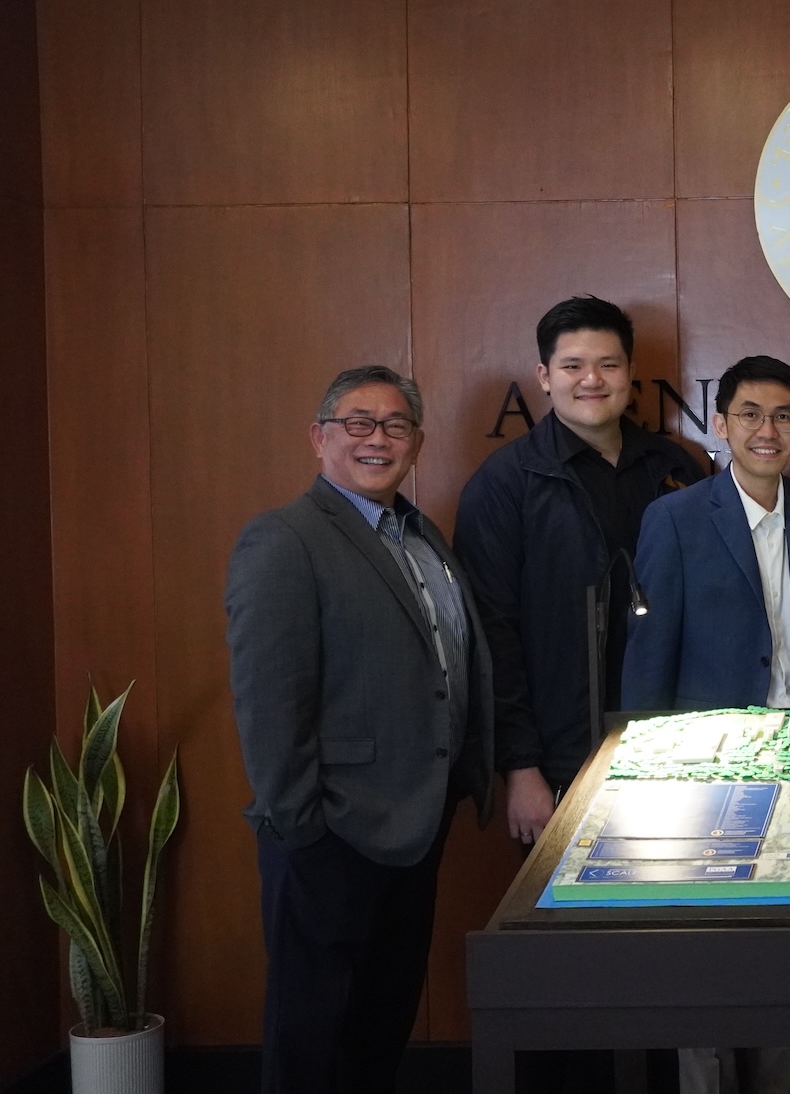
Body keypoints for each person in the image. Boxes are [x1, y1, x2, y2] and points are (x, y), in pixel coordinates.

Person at [226, 365, 493, 1094]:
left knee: (381, 1019)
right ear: (319, 437)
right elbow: (269, 700)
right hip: (329, 834)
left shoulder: (419, 535)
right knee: (312, 1034)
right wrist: (302, 823)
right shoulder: (284, 540)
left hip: (413, 822)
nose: (378, 438)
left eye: (396, 425)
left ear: (417, 442)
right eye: (358, 423)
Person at [622, 354, 790, 1094]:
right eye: (750, 414)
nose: (767, 429)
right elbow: (650, 653)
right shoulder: (674, 518)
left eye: (783, 415)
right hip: (706, 768)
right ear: (719, 425)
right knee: (704, 956)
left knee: (786, 953)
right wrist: (638, 764)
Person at [455, 295, 706, 850]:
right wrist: (520, 768)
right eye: (572, 366)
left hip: (672, 750)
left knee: (675, 923)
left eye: (608, 365)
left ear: (631, 374)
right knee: (570, 932)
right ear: (544, 376)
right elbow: (490, 633)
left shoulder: (675, 468)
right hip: (560, 761)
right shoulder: (505, 485)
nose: (591, 379)